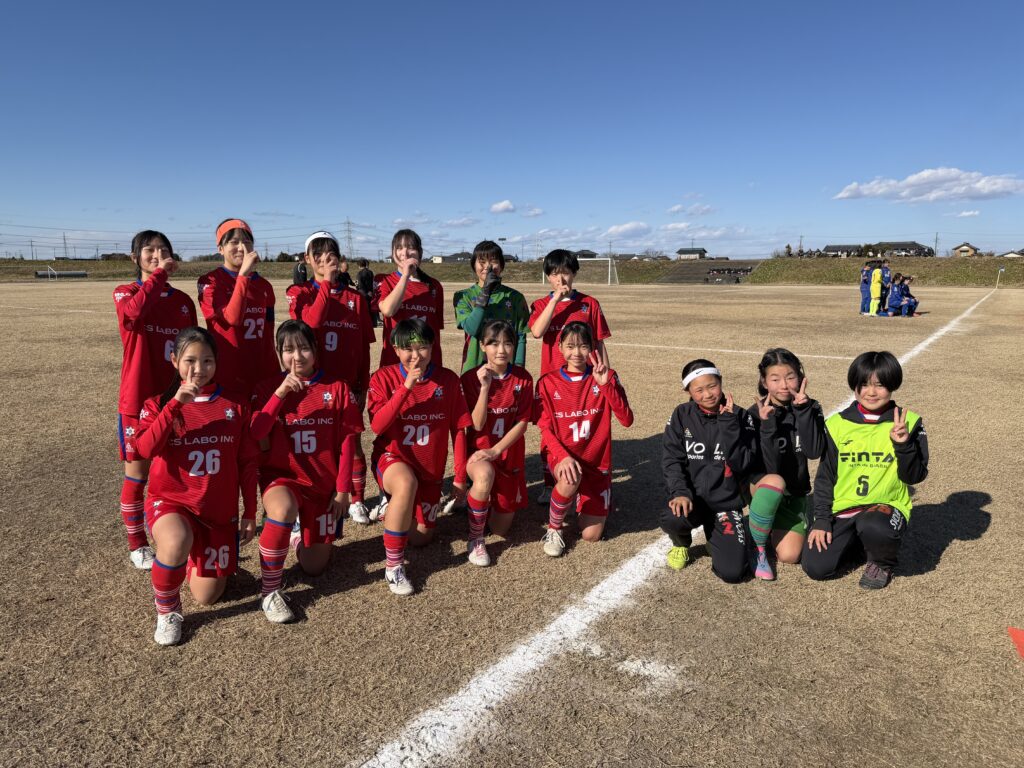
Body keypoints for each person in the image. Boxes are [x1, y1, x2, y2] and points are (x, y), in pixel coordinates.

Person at [132, 327, 259, 646]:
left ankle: (190, 558)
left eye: (207, 361)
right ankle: (168, 611)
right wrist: (175, 404)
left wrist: (250, 511)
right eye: (190, 360)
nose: (199, 369)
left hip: (217, 513)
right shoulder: (156, 403)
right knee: (176, 539)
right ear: (174, 360)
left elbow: (246, 462)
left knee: (208, 596)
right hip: (172, 503)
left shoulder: (236, 404)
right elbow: (145, 449)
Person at [250, 320, 364, 623]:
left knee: (314, 567)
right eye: (288, 350)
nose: (296, 357)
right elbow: (256, 431)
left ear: (315, 350)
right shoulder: (266, 388)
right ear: (278, 353)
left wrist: (343, 490)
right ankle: (270, 591)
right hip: (283, 478)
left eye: (303, 348)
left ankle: (297, 537)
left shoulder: (337, 389)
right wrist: (280, 394)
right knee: (283, 507)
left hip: (321, 485)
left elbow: (348, 443)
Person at [804, 351, 928, 589]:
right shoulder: (837, 424)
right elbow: (825, 477)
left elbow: (915, 476)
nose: (871, 392)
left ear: (893, 385)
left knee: (874, 525)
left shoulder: (909, 422)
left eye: (879, 385)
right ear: (855, 386)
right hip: (845, 509)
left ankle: (882, 561)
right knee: (816, 567)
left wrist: (903, 446)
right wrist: (821, 519)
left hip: (884, 508)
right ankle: (858, 543)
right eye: (863, 385)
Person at [366, 319, 471, 595]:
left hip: (429, 468)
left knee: (421, 537)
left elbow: (459, 430)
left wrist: (460, 478)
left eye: (423, 347)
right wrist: (406, 387)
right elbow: (377, 426)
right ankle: (394, 567)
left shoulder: (448, 380)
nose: (416, 355)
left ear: (433, 347)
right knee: (404, 483)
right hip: (392, 458)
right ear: (396, 350)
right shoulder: (383, 377)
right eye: (408, 349)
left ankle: (395, 507)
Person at [114, 230, 197, 571]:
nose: (157, 254)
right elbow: (134, 314)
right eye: (149, 250)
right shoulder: (126, 292)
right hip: (137, 401)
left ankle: (183, 536)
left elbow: (193, 349)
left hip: (175, 399)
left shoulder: (182, 302)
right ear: (135, 257)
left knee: (178, 473)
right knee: (137, 475)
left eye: (163, 250)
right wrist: (159, 274)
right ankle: (137, 544)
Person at [287, 231, 376, 523]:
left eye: (331, 256)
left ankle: (358, 499)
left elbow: (363, 345)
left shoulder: (355, 299)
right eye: (319, 256)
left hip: (347, 386)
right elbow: (310, 324)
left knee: (353, 442)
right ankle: (311, 499)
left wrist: (363, 383)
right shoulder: (300, 293)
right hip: (314, 387)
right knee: (316, 447)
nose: (326, 261)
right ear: (307, 260)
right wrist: (325, 284)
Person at [534, 322, 633, 557]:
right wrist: (563, 457)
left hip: (597, 463)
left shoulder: (607, 376)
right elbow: (545, 428)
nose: (576, 353)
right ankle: (554, 528)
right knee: (570, 477)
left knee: (591, 536)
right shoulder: (547, 382)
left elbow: (626, 419)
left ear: (592, 348)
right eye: (570, 346)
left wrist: (605, 384)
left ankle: (585, 494)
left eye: (583, 346)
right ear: (559, 347)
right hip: (563, 458)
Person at [660, 359, 762, 583]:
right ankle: (681, 543)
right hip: (693, 499)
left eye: (712, 386)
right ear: (688, 391)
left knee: (733, 572)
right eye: (699, 389)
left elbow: (743, 464)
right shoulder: (681, 415)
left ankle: (713, 539)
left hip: (725, 504)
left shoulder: (742, 417)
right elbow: (672, 459)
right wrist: (680, 492)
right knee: (672, 517)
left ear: (721, 382)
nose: (707, 394)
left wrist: (728, 425)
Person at [529, 249, 612, 504]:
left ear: (574, 273)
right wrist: (555, 300)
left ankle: (586, 480)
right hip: (553, 381)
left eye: (565, 272)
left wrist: (606, 376)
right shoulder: (542, 304)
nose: (560, 278)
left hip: (585, 381)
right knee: (550, 432)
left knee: (581, 429)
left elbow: (598, 342)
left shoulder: (590, 304)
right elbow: (536, 331)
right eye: (554, 274)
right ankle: (548, 483)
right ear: (548, 277)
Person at [457, 319, 534, 566]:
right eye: (494, 343)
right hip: (479, 456)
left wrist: (496, 449)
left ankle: (477, 501)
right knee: (484, 474)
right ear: (482, 346)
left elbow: (521, 424)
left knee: (501, 530)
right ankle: (476, 539)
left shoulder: (523, 378)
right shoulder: (470, 378)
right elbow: (477, 425)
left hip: (505, 455)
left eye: (507, 343)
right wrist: (484, 388)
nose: (501, 350)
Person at [746, 349, 826, 578]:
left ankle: (768, 525)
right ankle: (758, 546)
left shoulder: (811, 406)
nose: (783, 385)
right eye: (775, 378)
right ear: (764, 381)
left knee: (790, 556)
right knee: (775, 483)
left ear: (800, 377)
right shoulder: (754, 413)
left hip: (794, 492)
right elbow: (771, 468)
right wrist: (767, 425)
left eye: (790, 376)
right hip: (763, 486)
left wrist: (803, 412)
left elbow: (813, 451)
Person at [197, 219, 278, 400]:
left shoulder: (264, 285)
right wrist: (243, 276)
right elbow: (231, 319)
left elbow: (268, 333)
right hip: (228, 375)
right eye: (234, 242)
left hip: (263, 374)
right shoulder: (211, 281)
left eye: (247, 242)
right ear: (221, 248)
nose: (242, 247)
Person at [452, 240, 530, 375]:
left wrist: (519, 367)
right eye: (482, 262)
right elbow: (472, 328)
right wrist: (485, 292)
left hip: (507, 368)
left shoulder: (516, 297)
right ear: (473, 265)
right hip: (474, 367)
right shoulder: (463, 296)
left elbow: (521, 335)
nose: (487, 267)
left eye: (493, 261)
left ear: (501, 265)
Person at [373, 229, 445, 367]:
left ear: (420, 252)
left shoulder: (434, 286)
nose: (404, 253)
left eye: (410, 248)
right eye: (399, 248)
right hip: (395, 361)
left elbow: (435, 329)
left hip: (427, 362)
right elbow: (388, 310)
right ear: (393, 252)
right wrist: (405, 276)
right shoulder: (384, 280)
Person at [356, 258, 379, 327]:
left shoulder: (359, 273)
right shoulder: (370, 272)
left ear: (359, 265)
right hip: (371, 293)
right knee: (371, 308)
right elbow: (373, 282)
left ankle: (364, 323)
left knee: (363, 309)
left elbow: (360, 285)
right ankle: (373, 323)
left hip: (363, 293)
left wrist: (365, 293)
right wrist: (371, 291)